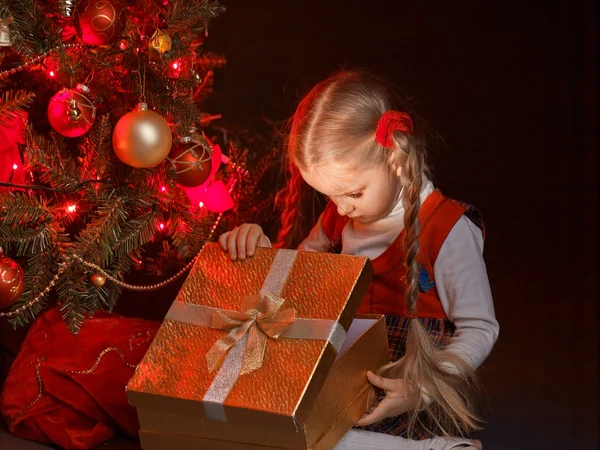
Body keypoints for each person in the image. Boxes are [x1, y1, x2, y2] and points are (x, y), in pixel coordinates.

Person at [218, 70, 498, 444]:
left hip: (411, 385)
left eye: (354, 193)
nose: (342, 208)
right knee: (280, 429)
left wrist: (422, 386)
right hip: (346, 373)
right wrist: (261, 250)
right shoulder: (339, 217)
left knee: (332, 440)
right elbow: (299, 278)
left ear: (395, 158)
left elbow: (481, 328)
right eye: (330, 197)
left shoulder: (446, 229)